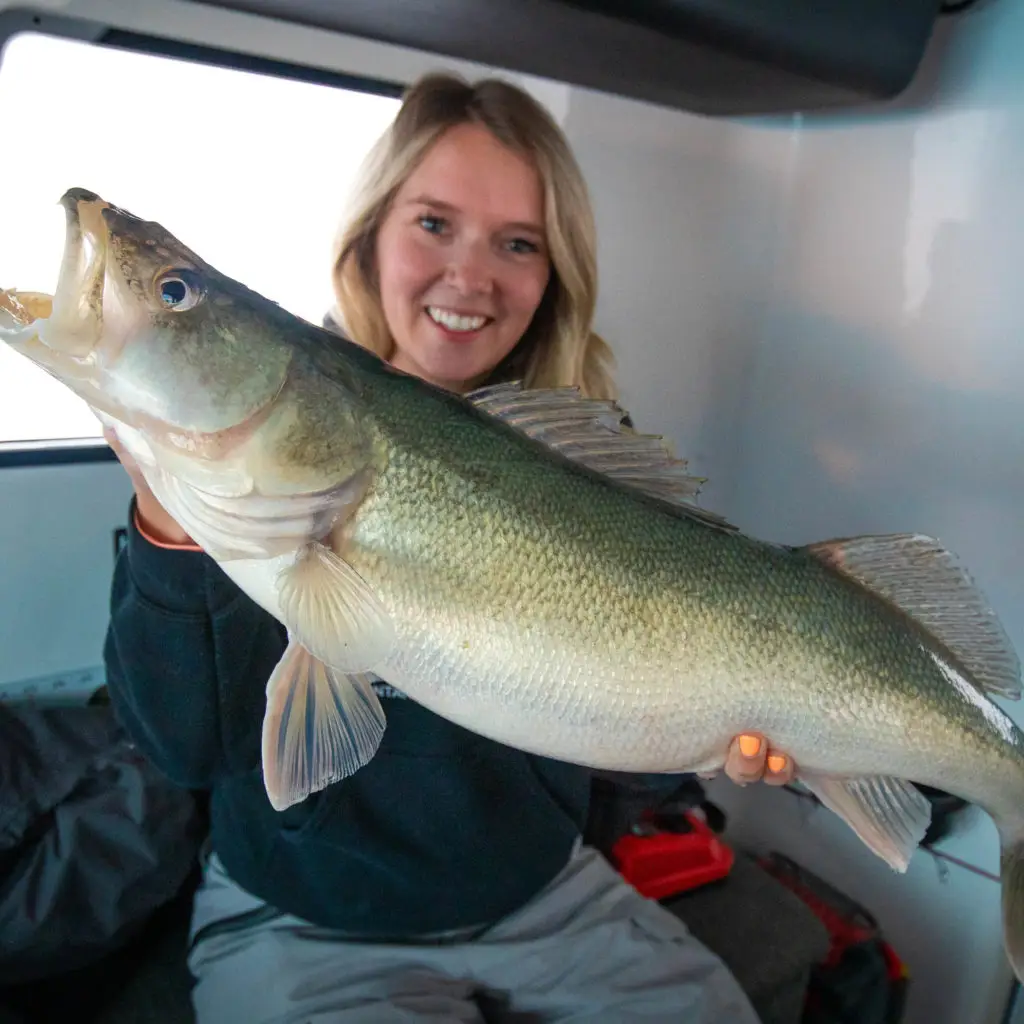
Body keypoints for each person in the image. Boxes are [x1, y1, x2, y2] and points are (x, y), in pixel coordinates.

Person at [102, 70, 794, 1023]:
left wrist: (715, 739)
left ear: (555, 273)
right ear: (371, 231)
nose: (471, 276)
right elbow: (181, 744)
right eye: (433, 224)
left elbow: (630, 751)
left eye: (518, 243)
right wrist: (170, 527)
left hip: (544, 899)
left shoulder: (594, 454)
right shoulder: (264, 429)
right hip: (299, 917)